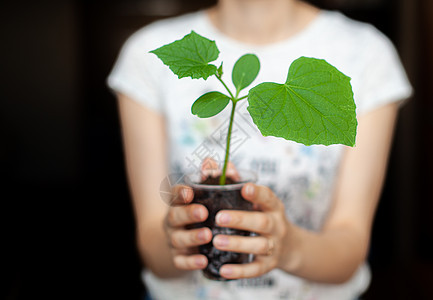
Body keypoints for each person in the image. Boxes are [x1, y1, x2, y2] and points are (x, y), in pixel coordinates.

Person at [107, 0, 413, 299]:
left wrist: (289, 247)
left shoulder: (364, 53)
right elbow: (152, 247)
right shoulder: (146, 53)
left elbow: (351, 244)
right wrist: (180, 240)